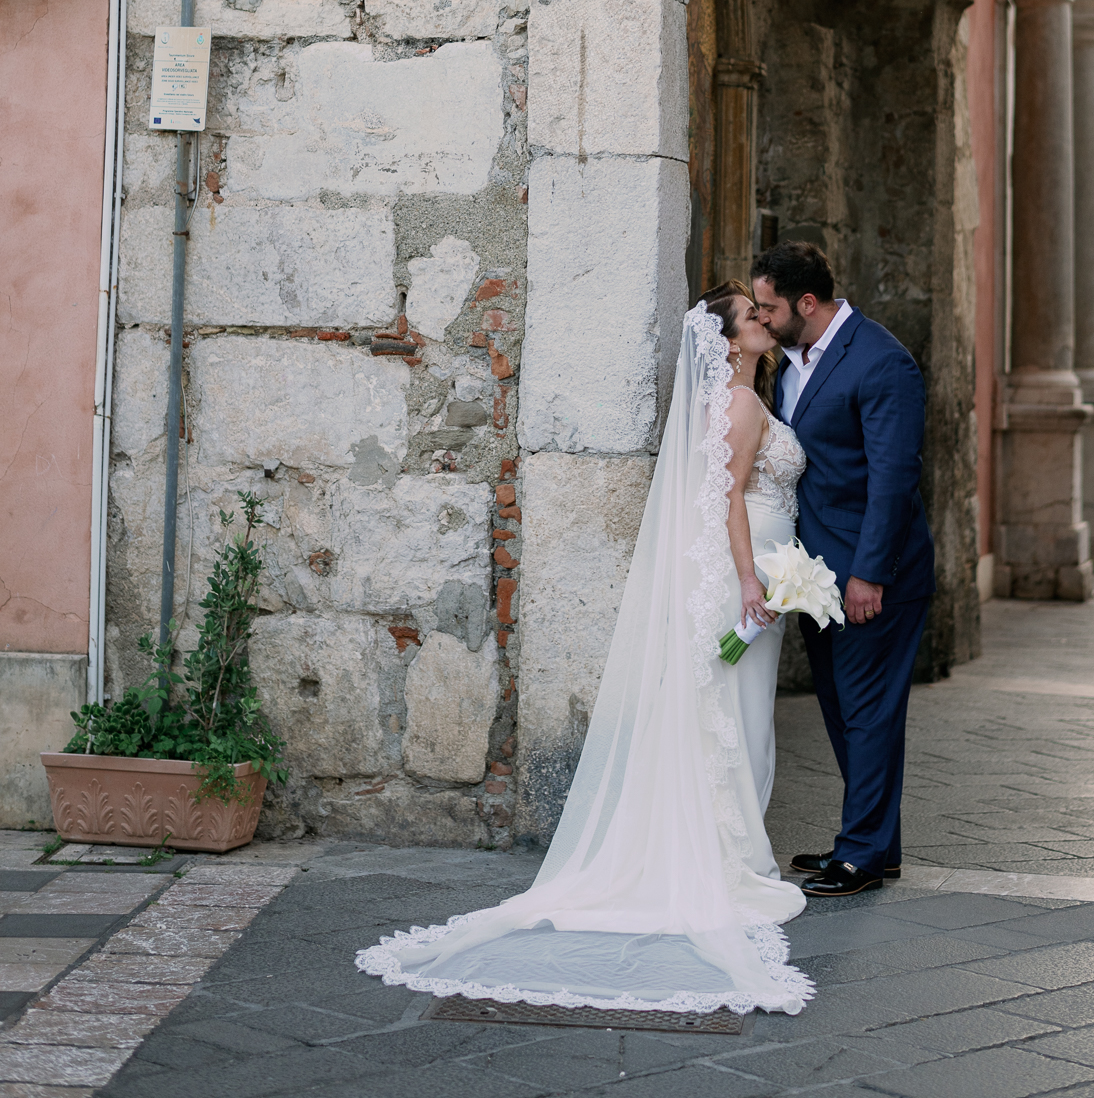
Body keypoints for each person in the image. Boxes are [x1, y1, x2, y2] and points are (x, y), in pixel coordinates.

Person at [354, 285, 815, 1016]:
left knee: (726, 710)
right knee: (735, 713)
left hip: (745, 571)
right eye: (753, 318)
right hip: (743, 576)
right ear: (728, 342)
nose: (765, 322)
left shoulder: (734, 400)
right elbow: (727, 498)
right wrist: (753, 578)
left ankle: (723, 849)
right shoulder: (739, 405)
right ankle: (726, 861)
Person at [752, 240, 934, 900]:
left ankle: (859, 853)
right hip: (817, 576)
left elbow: (893, 477)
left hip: (871, 576)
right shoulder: (790, 364)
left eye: (770, 306)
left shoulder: (882, 362)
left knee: (867, 711)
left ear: (807, 302)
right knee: (846, 710)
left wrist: (870, 575)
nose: (762, 318)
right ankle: (876, 843)